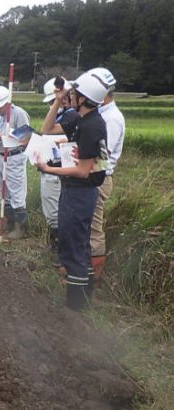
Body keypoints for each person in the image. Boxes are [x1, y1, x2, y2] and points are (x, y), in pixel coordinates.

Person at [37, 72, 109, 311]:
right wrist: (58, 100)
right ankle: (84, 298)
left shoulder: (92, 126)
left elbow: (82, 171)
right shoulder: (77, 117)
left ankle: (75, 307)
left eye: (74, 93)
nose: (71, 95)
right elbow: (46, 129)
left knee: (73, 247)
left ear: (85, 98)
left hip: (80, 193)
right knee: (78, 245)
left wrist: (48, 168)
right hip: (74, 192)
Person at [87, 67, 125, 285]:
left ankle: (95, 276)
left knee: (93, 227)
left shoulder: (111, 119)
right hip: (92, 175)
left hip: (98, 178)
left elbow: (101, 154)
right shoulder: (102, 114)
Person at [0, 86, 31, 240]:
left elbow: (26, 137)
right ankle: (9, 222)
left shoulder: (18, 113)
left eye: (0, 106)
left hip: (14, 157)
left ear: (8, 103)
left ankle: (21, 229)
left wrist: (8, 137)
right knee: (3, 192)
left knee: (16, 192)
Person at [39, 78, 75, 252]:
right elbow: (46, 130)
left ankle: (58, 248)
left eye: (55, 101)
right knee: (51, 208)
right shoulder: (62, 115)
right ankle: (54, 245)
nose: (53, 104)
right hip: (50, 167)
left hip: (58, 170)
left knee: (55, 211)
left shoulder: (71, 116)